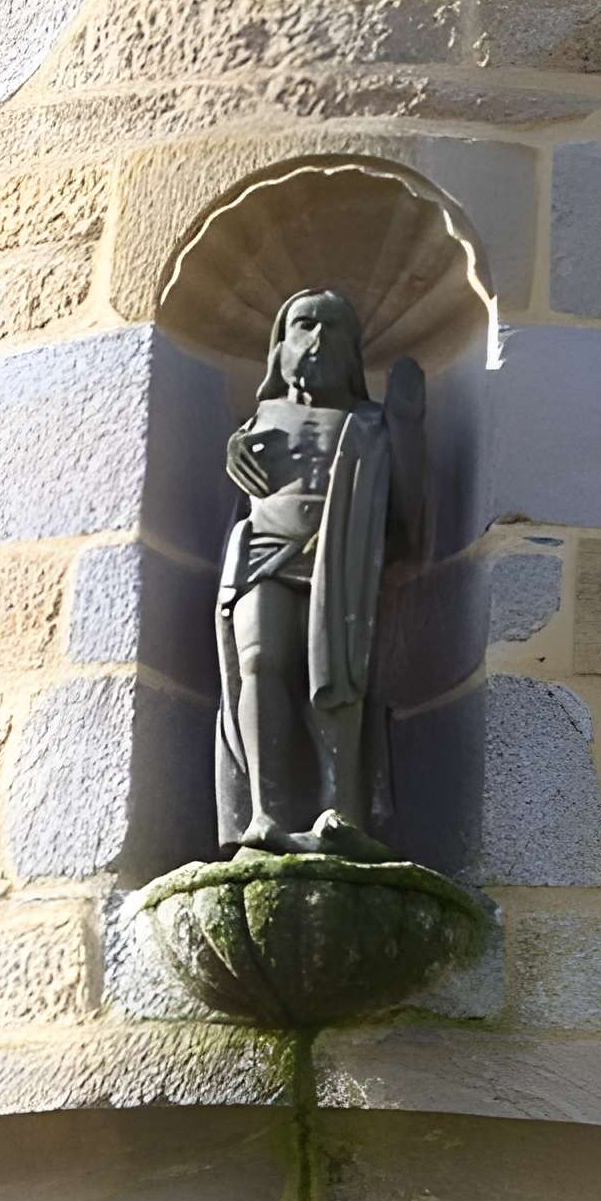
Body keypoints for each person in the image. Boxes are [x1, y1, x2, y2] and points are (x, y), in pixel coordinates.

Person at [214, 289, 426, 856]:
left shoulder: (368, 422)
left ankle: (342, 810)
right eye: (303, 325)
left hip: (338, 558)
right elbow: (228, 507)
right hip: (262, 552)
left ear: (354, 354)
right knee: (259, 663)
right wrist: (233, 456)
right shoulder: (256, 420)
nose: (317, 338)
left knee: (332, 677)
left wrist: (406, 427)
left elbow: (408, 521)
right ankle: (265, 812)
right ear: (279, 346)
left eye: (334, 328)